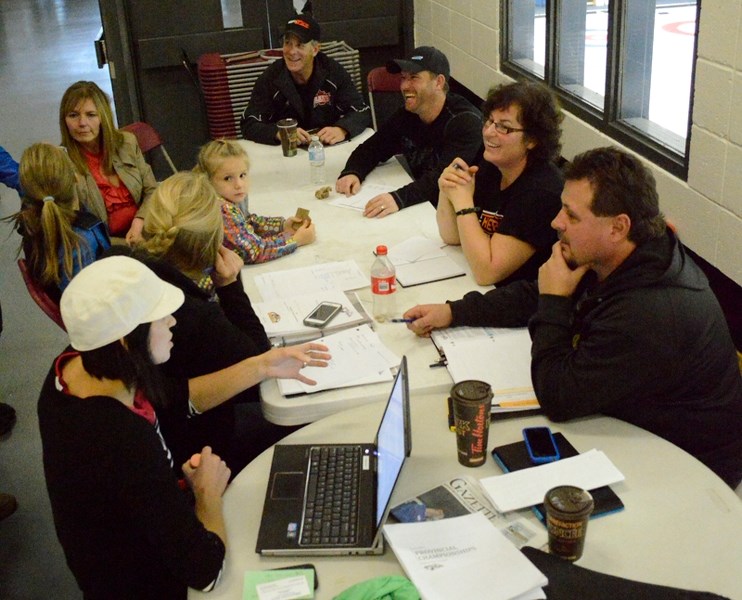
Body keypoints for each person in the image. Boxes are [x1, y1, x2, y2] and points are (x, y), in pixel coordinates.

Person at [404, 147, 742, 489]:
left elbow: (558, 397)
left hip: (688, 472)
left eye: (572, 215)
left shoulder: (649, 311)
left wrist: (554, 301)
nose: (556, 222)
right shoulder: (625, 254)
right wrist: (454, 311)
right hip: (633, 427)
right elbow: (534, 293)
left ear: (617, 227)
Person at [38, 256, 328, 598]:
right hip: (147, 584)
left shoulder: (79, 367)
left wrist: (260, 366)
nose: (173, 321)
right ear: (127, 339)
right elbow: (204, 570)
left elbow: (176, 401)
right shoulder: (119, 438)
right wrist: (207, 493)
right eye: (161, 318)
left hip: (132, 541)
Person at [115, 171, 303, 471]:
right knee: (304, 418)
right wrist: (230, 286)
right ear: (214, 238)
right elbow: (258, 358)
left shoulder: (127, 265)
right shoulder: (195, 316)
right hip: (202, 447)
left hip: (159, 424)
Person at [436, 81, 564, 286]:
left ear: (532, 139)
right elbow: (452, 237)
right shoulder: (493, 166)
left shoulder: (542, 192)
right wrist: (447, 190)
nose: (488, 132)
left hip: (519, 305)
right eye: (489, 121)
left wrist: (463, 204)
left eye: (504, 127)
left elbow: (486, 273)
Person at [335, 46, 482, 218]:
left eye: (414, 77)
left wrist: (398, 199)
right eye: (403, 78)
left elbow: (444, 179)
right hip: (423, 206)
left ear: (439, 82)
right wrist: (353, 171)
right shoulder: (408, 114)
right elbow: (372, 148)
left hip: (462, 213)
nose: (404, 86)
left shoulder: (465, 121)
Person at [240, 13, 370, 146]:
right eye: (287, 43)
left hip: (327, 150)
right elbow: (249, 123)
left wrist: (342, 129)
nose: (291, 51)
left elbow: (361, 111)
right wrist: (279, 133)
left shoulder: (333, 72)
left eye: (300, 45)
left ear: (315, 49)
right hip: (286, 154)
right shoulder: (270, 77)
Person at [59, 80, 157, 244]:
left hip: (145, 228)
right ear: (65, 120)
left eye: (91, 115)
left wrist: (140, 221)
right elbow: (73, 225)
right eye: (73, 115)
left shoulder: (127, 142)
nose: (82, 123)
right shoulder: (62, 161)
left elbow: (152, 190)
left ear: (103, 117)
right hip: (103, 244)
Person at [9, 143, 110, 301]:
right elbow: (92, 304)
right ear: (74, 179)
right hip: (104, 316)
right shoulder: (83, 238)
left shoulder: (33, 227)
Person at [196, 139, 315, 264]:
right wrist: (295, 240)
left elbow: (247, 222)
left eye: (242, 175)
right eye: (228, 178)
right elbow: (255, 251)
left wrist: (282, 226)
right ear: (208, 181)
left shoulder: (232, 195)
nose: (239, 184)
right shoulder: (221, 208)